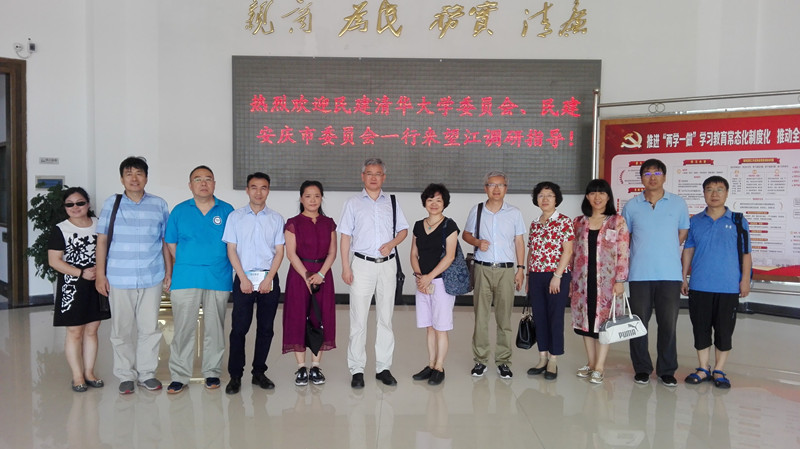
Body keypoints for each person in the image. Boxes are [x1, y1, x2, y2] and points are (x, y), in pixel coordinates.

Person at [95, 156, 171, 394]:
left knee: (150, 328)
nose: (134, 178)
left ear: (146, 177)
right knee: (121, 330)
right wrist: (100, 274)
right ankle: (125, 375)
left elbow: (165, 242)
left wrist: (169, 271)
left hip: (152, 276)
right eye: (129, 174)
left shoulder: (159, 204)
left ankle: (147, 374)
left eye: (139, 173)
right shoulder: (112, 203)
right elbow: (102, 240)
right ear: (122, 179)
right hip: (119, 277)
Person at [164, 165, 234, 394]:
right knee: (183, 329)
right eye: (198, 179)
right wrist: (188, 261)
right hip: (186, 277)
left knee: (215, 329)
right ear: (190, 185)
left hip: (218, 277)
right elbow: (171, 243)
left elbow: (234, 244)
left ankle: (212, 372)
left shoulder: (227, 210)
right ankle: (179, 375)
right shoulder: (179, 211)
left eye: (208, 179)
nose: (203, 183)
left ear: (214, 184)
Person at [339, 158, 408, 389]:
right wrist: (346, 267)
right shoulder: (353, 203)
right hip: (362, 265)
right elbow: (345, 236)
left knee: (385, 318)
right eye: (369, 173)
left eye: (378, 173)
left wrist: (392, 244)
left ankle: (383, 368)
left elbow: (403, 230)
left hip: (387, 265)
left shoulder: (392, 202)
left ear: (383, 177)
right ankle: (357, 369)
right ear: (363, 176)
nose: (373, 177)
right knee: (358, 319)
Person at [621, 158, 690, 387]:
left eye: (657, 173)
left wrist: (664, 248)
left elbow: (682, 233)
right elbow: (626, 237)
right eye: (647, 173)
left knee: (668, 324)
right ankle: (642, 368)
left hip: (670, 274)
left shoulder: (678, 203)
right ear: (641, 178)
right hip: (639, 274)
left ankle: (666, 370)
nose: (653, 177)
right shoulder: (631, 206)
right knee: (638, 324)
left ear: (664, 176)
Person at [681, 176, 751, 389]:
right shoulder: (695, 221)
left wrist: (745, 280)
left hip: (728, 286)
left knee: (724, 330)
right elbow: (688, 250)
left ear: (727, 193)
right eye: (709, 189)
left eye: (719, 189)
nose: (714, 194)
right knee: (700, 328)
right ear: (703, 193)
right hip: (700, 284)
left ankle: (719, 370)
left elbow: (746, 253)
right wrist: (683, 276)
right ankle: (703, 368)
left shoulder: (738, 221)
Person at [222, 172, 285, 394]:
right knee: (239, 328)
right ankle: (235, 375)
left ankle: (259, 372)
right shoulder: (235, 217)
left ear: (268, 190)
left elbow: (279, 251)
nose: (259, 192)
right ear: (247, 190)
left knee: (266, 328)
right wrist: (242, 278)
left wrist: (269, 279)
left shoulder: (276, 218)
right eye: (254, 187)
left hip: (268, 279)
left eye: (263, 187)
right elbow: (231, 249)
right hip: (243, 278)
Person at [462, 171, 526, 379]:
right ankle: (480, 360)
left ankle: (503, 361)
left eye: (501, 185)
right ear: (485, 188)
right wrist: (477, 242)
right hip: (482, 269)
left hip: (506, 271)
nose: (496, 189)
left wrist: (521, 269)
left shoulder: (514, 213)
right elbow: (466, 234)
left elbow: (519, 242)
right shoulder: (477, 210)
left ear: (506, 188)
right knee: (481, 317)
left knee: (504, 318)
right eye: (492, 185)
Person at [48, 187, 111, 392]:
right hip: (72, 286)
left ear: (88, 204)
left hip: (96, 283)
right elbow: (54, 261)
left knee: (92, 330)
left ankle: (89, 372)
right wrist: (80, 273)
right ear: (65, 207)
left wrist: (100, 272)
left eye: (80, 203)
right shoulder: (60, 229)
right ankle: (77, 376)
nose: (75, 207)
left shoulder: (99, 224)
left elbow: (109, 250)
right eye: (70, 204)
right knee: (75, 332)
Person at [570, 179, 629, 384]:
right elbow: (572, 253)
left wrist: (620, 280)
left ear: (608, 197)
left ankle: (600, 366)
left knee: (605, 324)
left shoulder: (617, 221)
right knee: (585, 324)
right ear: (587, 197)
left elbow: (623, 252)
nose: (597, 197)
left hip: (607, 282)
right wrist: (570, 279)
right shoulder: (578, 222)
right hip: (582, 281)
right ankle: (591, 362)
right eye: (593, 193)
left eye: (602, 193)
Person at [282, 180, 337, 386]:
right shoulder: (293, 223)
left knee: (320, 318)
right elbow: (291, 254)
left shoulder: (328, 223)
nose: (312, 200)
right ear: (301, 199)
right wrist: (306, 275)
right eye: (308, 196)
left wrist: (321, 274)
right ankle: (301, 368)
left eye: (316, 196)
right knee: (297, 317)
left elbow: (332, 253)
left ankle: (315, 366)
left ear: (321, 198)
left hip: (323, 276)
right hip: (299, 276)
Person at [409, 184, 459, 386]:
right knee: (429, 327)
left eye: (438, 200)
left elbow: (450, 256)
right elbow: (413, 254)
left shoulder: (449, 225)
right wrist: (419, 276)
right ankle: (430, 364)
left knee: (441, 327)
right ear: (425, 203)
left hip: (441, 283)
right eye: (430, 200)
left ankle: (439, 367)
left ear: (444, 203)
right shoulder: (418, 225)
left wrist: (429, 277)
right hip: (422, 282)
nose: (434, 204)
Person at [525, 182, 574, 380]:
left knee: (555, 317)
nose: (545, 199)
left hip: (557, 276)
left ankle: (553, 359)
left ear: (556, 199)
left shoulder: (564, 221)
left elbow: (568, 251)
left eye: (549, 195)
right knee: (539, 316)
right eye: (541, 195)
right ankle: (542, 357)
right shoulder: (535, 223)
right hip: (536, 275)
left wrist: (557, 276)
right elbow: (531, 251)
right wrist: (528, 276)